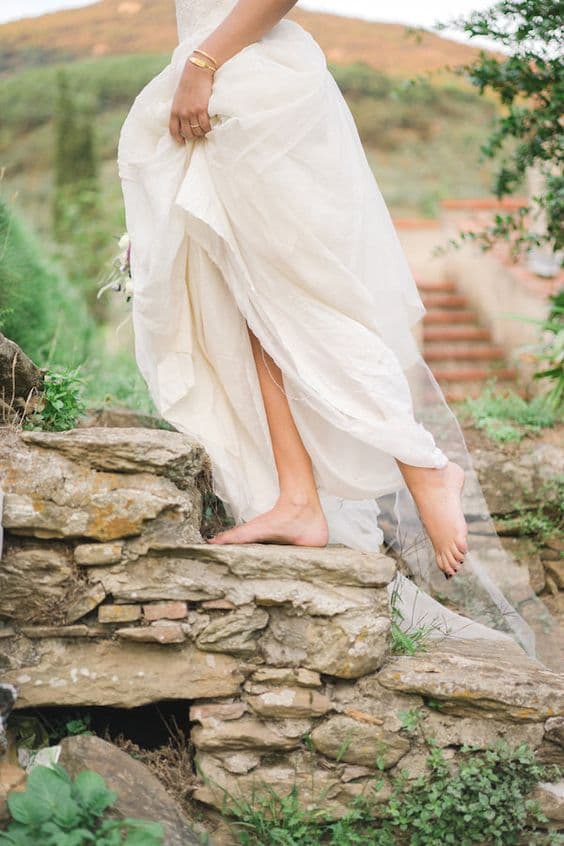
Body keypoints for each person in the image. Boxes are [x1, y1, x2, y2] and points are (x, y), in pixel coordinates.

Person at [117, 0, 558, 668]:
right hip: (227, 84)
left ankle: (425, 467)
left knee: (304, 307)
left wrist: (203, 64)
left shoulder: (219, 68)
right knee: (255, 308)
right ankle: (298, 499)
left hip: (246, 87)